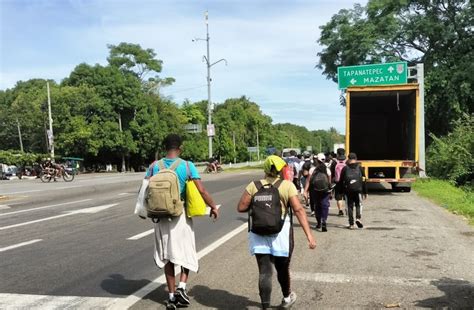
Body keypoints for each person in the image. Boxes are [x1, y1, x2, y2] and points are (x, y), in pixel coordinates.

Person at [146, 134, 220, 309]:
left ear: (165, 148)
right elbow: (201, 190)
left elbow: (144, 190)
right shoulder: (187, 166)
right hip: (180, 215)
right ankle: (182, 287)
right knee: (186, 252)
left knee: (168, 257)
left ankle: (171, 297)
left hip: (161, 217)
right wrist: (213, 206)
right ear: (180, 148)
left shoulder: (154, 166)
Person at [237, 155, 316, 309]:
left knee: (264, 271)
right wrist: (309, 236)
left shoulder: (254, 185)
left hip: (258, 233)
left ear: (265, 169)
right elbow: (298, 210)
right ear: (280, 169)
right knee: (282, 268)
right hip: (281, 234)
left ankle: (265, 306)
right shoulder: (287, 185)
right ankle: (287, 297)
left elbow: (241, 207)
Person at [337, 152, 367, 229]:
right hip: (358, 190)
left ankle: (351, 224)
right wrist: (365, 191)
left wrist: (340, 191)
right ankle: (358, 218)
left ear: (348, 159)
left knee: (349, 206)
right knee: (358, 204)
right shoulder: (360, 168)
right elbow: (364, 180)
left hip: (348, 190)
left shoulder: (345, 168)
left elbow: (341, 181)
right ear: (356, 159)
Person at [304, 153, 332, 232]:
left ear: (317, 160)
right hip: (325, 190)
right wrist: (330, 191)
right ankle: (324, 220)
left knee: (317, 206)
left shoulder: (312, 169)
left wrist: (305, 191)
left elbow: (308, 181)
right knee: (324, 205)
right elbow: (329, 182)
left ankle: (319, 222)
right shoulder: (327, 169)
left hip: (314, 190)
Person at [334, 148, 347, 216]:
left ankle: (340, 211)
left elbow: (332, 173)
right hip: (346, 182)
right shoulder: (347, 161)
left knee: (339, 197)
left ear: (337, 153)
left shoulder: (335, 162)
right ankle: (347, 209)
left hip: (338, 182)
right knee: (347, 197)